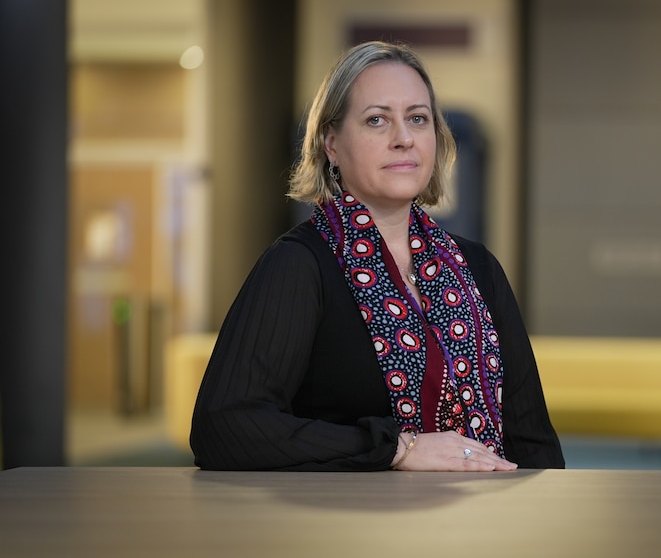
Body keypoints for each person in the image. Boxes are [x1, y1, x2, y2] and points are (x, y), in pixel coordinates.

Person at [190, 40, 564, 471]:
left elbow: (531, 441)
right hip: (351, 528)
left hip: (479, 528)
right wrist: (397, 448)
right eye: (376, 121)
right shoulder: (299, 265)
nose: (403, 139)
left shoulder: (478, 268)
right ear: (331, 143)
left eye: (418, 119)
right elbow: (225, 426)